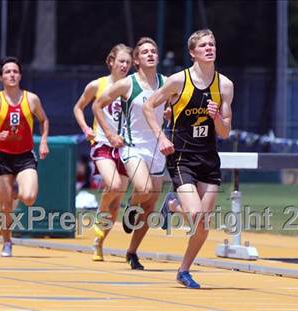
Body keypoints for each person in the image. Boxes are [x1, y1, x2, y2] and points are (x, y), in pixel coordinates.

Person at [143, 29, 233, 288]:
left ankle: (184, 270)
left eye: (212, 44)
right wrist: (161, 137)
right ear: (193, 52)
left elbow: (225, 132)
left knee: (203, 226)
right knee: (195, 216)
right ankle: (173, 205)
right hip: (182, 157)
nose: (209, 48)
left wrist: (216, 117)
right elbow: (149, 106)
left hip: (208, 159)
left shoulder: (225, 86)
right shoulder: (177, 81)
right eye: (203, 45)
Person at [93, 37, 167, 270]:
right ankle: (129, 209)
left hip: (157, 148)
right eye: (145, 52)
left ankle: (132, 252)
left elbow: (177, 105)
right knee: (143, 189)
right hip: (133, 146)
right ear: (137, 60)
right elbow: (97, 105)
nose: (151, 55)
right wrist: (109, 133)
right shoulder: (127, 84)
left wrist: (171, 115)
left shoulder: (167, 82)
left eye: (153, 51)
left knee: (150, 207)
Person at [0, 56, 49, 257]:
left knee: (28, 198)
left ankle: (14, 196)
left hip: (25, 156)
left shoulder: (31, 99)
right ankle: (7, 242)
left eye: (15, 71)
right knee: (5, 206)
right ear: (1, 77)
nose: (12, 74)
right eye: (7, 72)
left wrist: (43, 141)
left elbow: (44, 120)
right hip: (2, 158)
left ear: (20, 75)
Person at [73, 43, 133, 261]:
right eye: (121, 62)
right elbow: (78, 107)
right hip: (102, 143)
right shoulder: (97, 85)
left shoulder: (131, 86)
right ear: (111, 62)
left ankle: (99, 242)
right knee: (114, 185)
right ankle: (100, 213)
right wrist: (85, 128)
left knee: (116, 202)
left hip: (125, 146)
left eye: (128, 62)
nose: (125, 66)